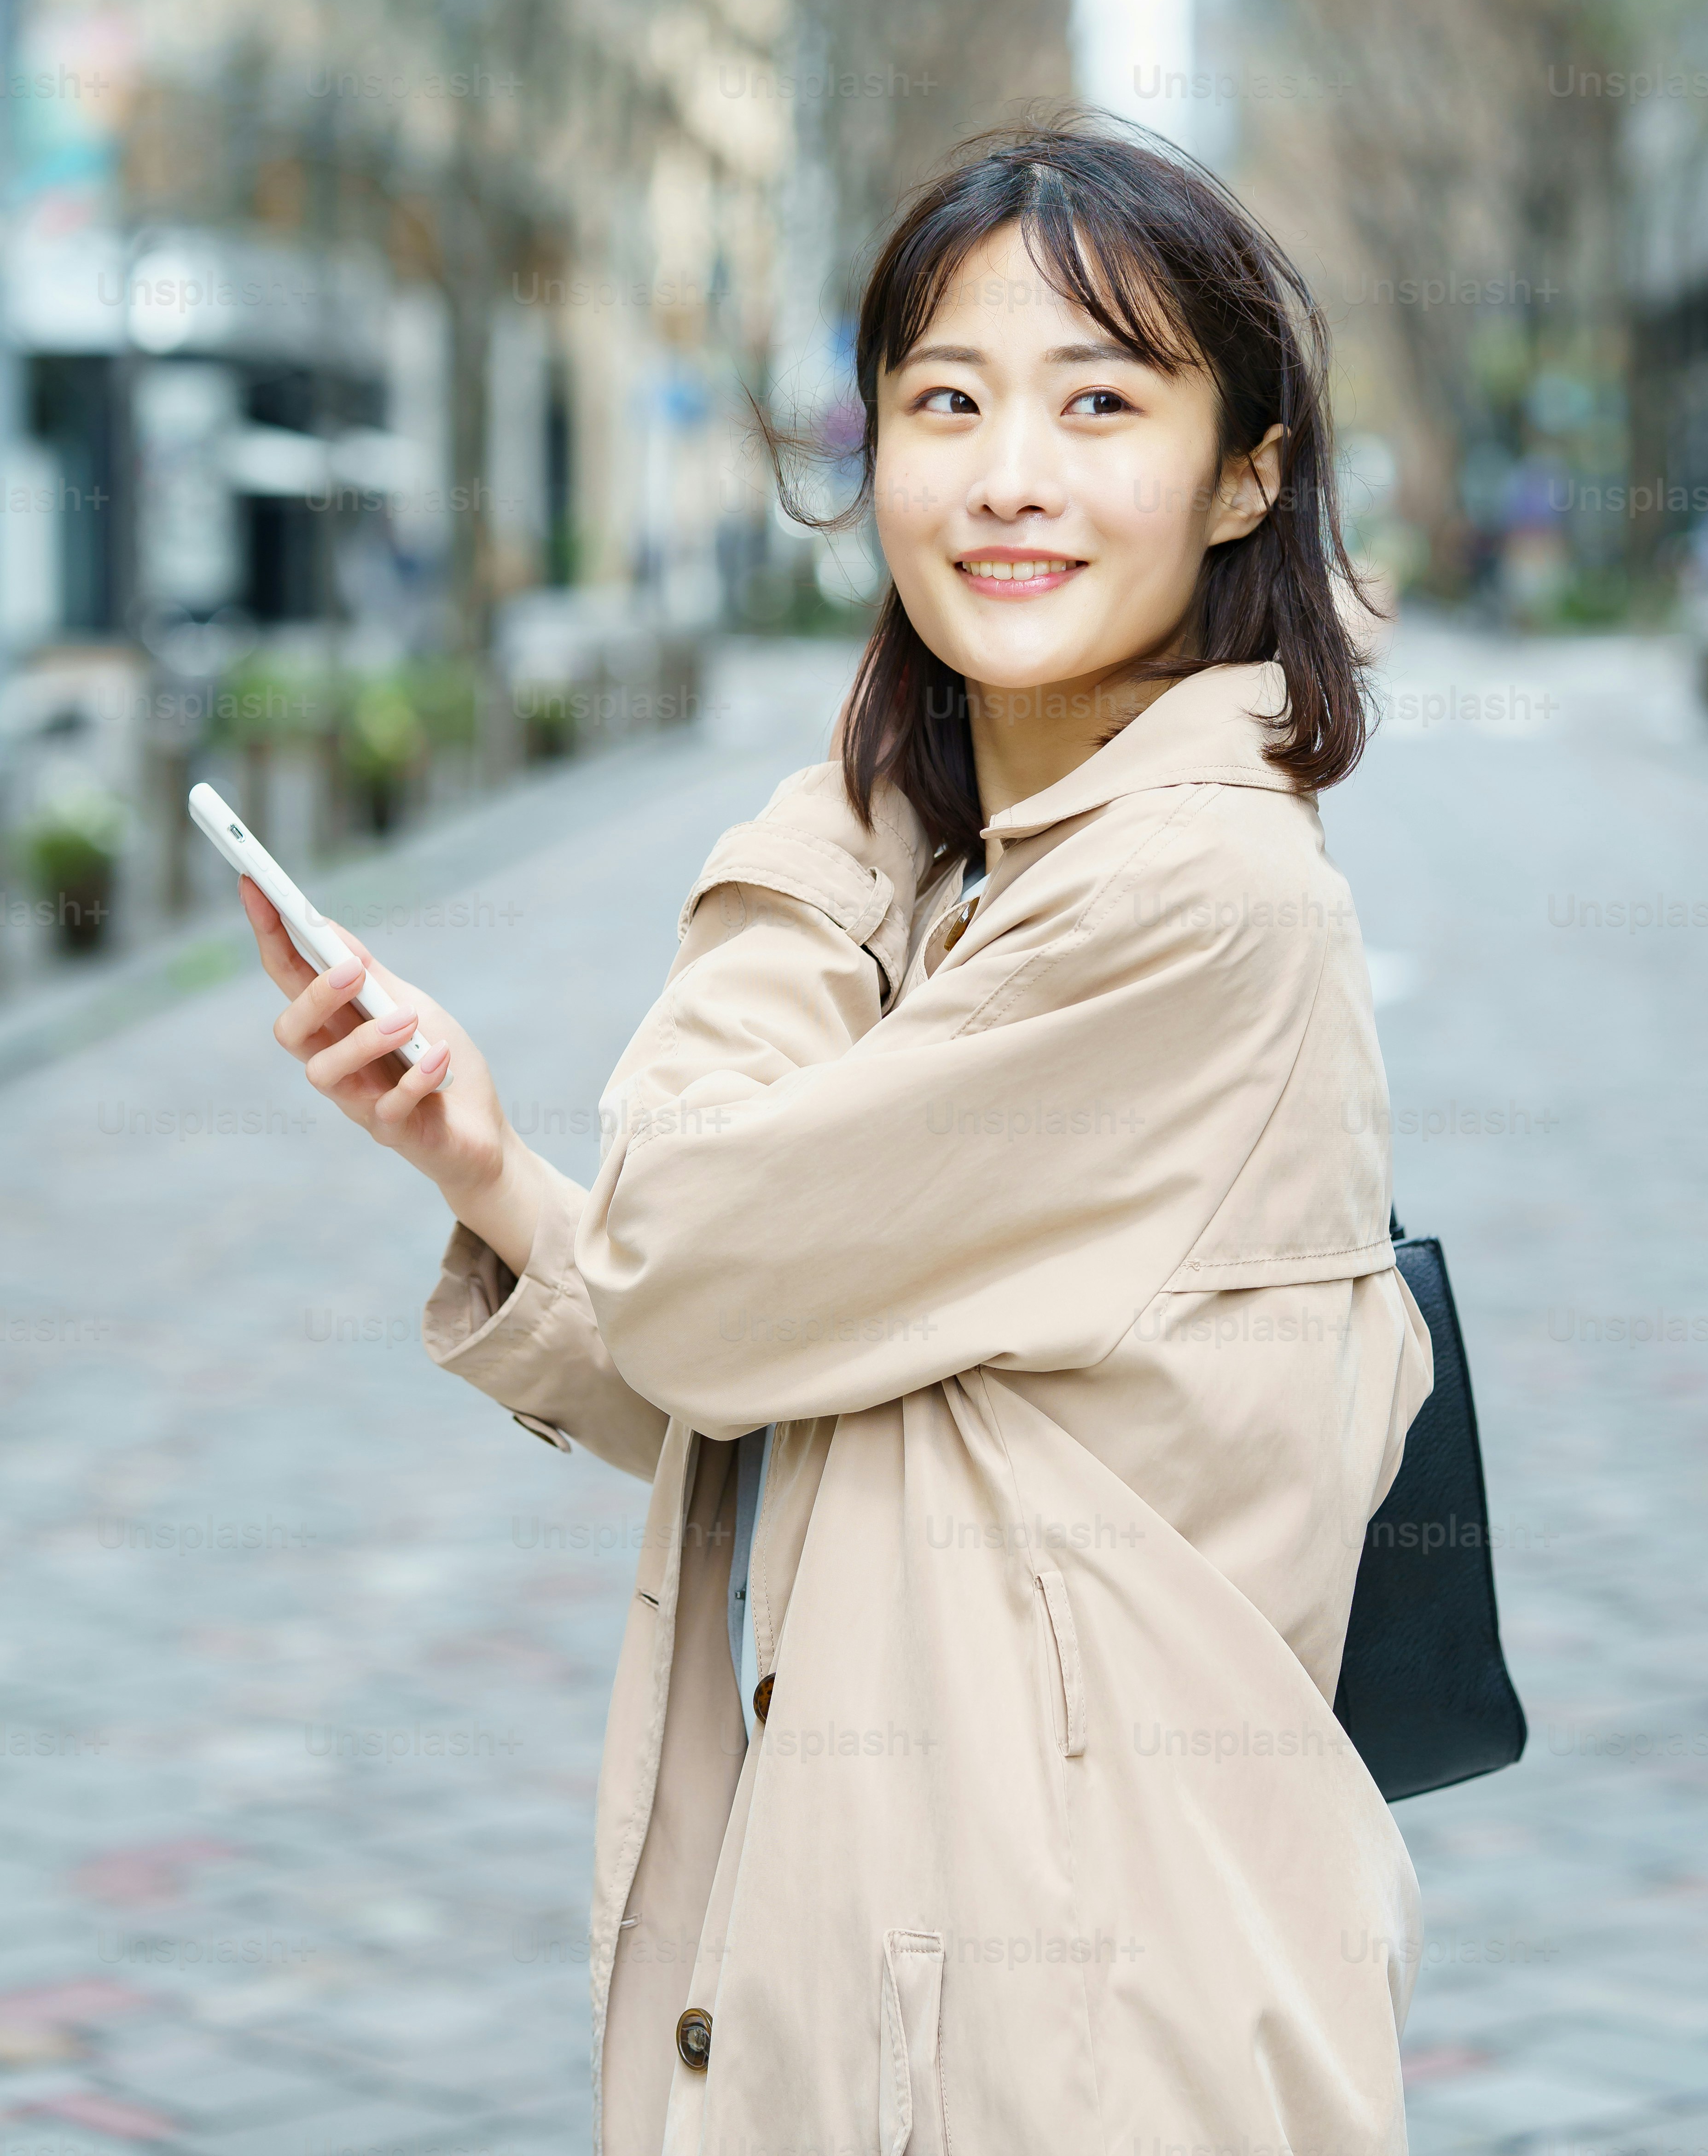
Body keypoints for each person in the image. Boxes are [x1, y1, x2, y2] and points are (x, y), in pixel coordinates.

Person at [240, 120, 1433, 2156]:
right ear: (869, 447)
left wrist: (844, 801)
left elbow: (706, 1274)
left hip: (1069, 2042)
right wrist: (488, 1167)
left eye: (1101, 401)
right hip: (934, 1980)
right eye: (944, 401)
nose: (1008, 476)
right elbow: (793, 1396)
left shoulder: (1181, 900)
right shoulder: (1006, 870)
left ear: (1247, 471)